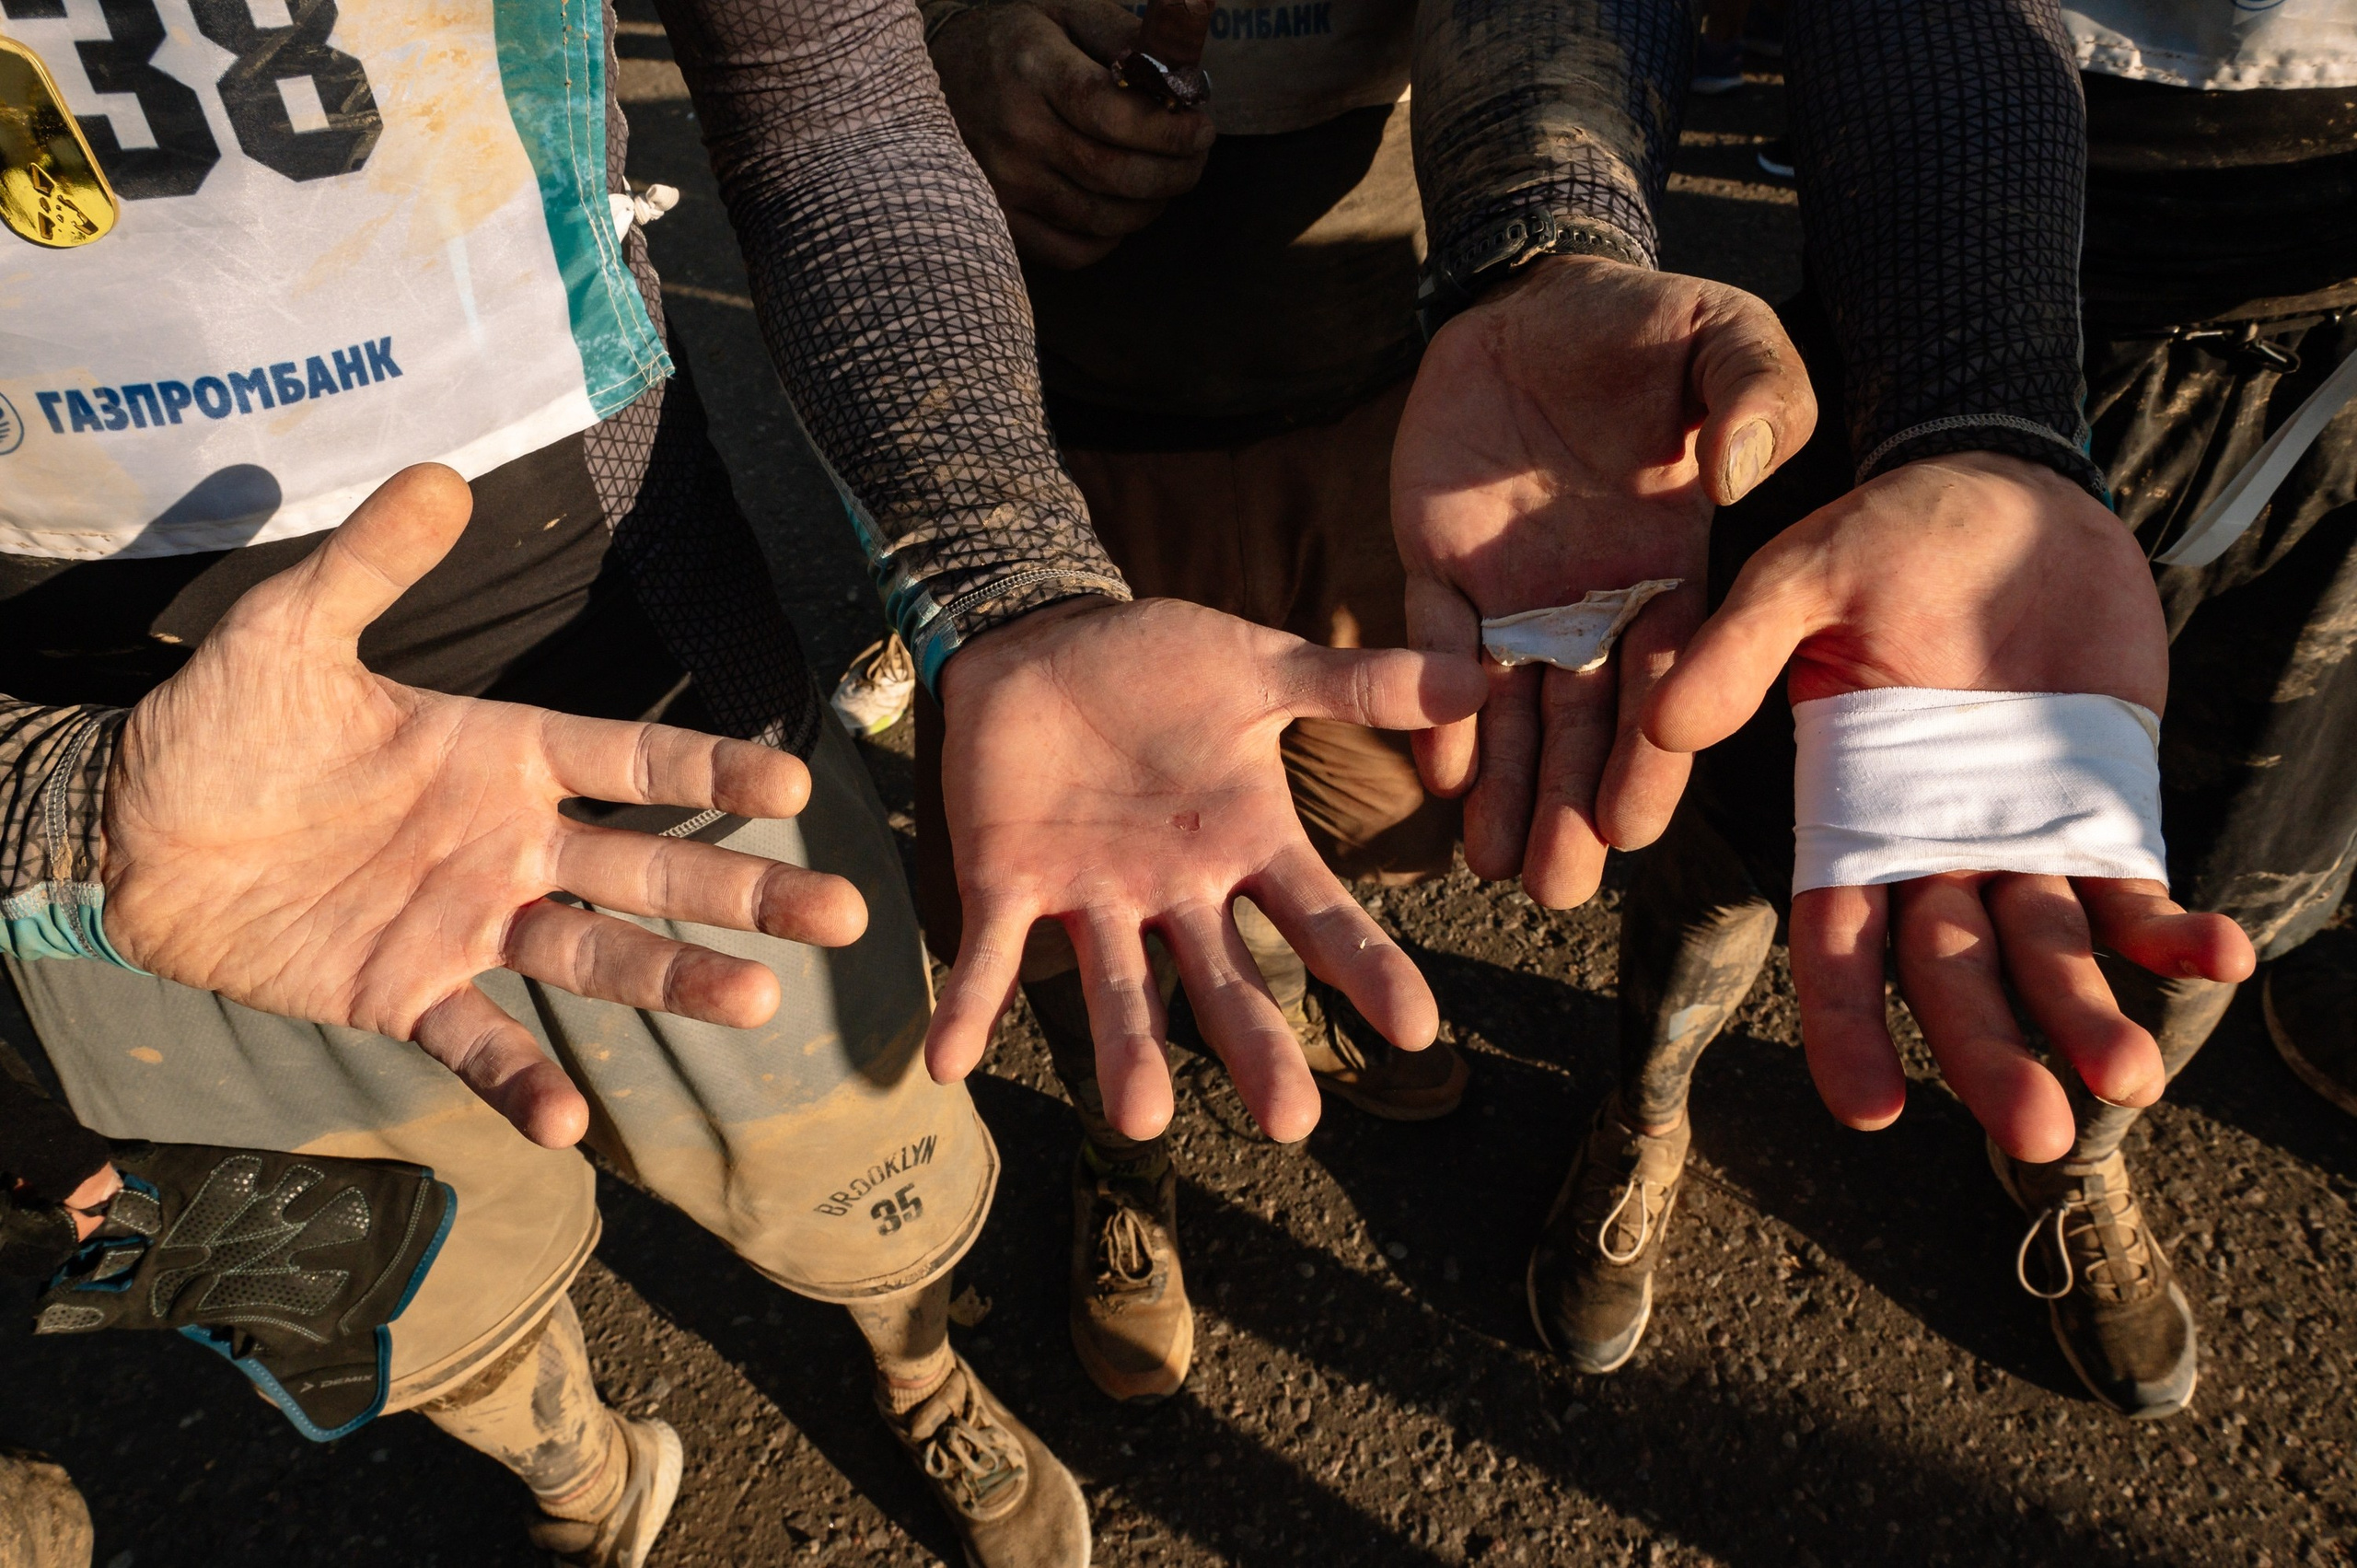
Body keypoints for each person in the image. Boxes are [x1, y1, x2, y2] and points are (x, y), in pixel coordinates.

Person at [1432, 0, 2342, 1424]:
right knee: (1719, 799)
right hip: (1987, 204)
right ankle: (1650, 1104)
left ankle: (2082, 1151)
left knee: (2190, 891)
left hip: (2331, 442)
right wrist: (1974, 404)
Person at [917, 0, 1485, 1402]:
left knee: (1384, 799)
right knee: (1048, 883)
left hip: (1366, 401)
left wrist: (1562, 239)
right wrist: (935, 35)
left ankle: (1283, 971)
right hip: (1045, 442)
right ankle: (1125, 1148)